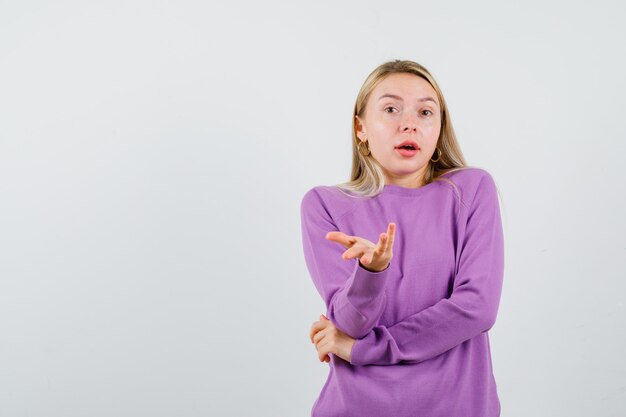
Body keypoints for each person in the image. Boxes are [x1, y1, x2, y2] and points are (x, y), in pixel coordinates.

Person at [300, 59, 505, 417]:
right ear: (360, 127)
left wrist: (364, 349)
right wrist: (371, 273)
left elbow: (477, 308)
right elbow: (349, 324)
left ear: (439, 129)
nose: (409, 122)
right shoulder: (324, 205)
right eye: (391, 109)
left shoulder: (471, 190)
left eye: (426, 112)